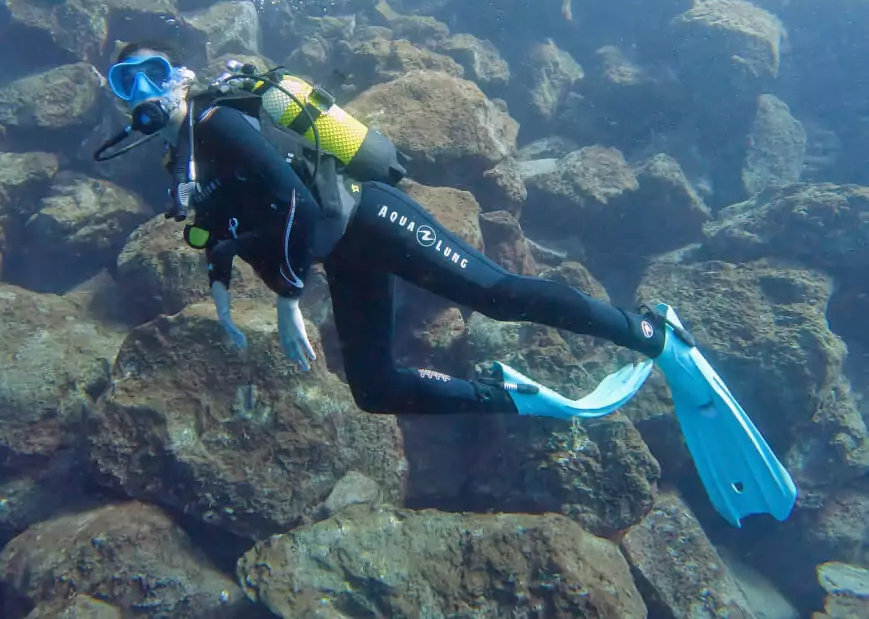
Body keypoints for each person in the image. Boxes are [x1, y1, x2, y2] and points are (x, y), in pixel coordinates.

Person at [97, 42, 798, 529]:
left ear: (180, 73)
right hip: (346, 254)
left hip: (366, 216)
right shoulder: (185, 156)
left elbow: (296, 205)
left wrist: (285, 302)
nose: (145, 92)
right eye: (125, 85)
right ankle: (518, 401)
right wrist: (220, 287)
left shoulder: (219, 120)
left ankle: (653, 333)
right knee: (374, 388)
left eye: (152, 73)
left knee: (497, 292)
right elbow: (219, 228)